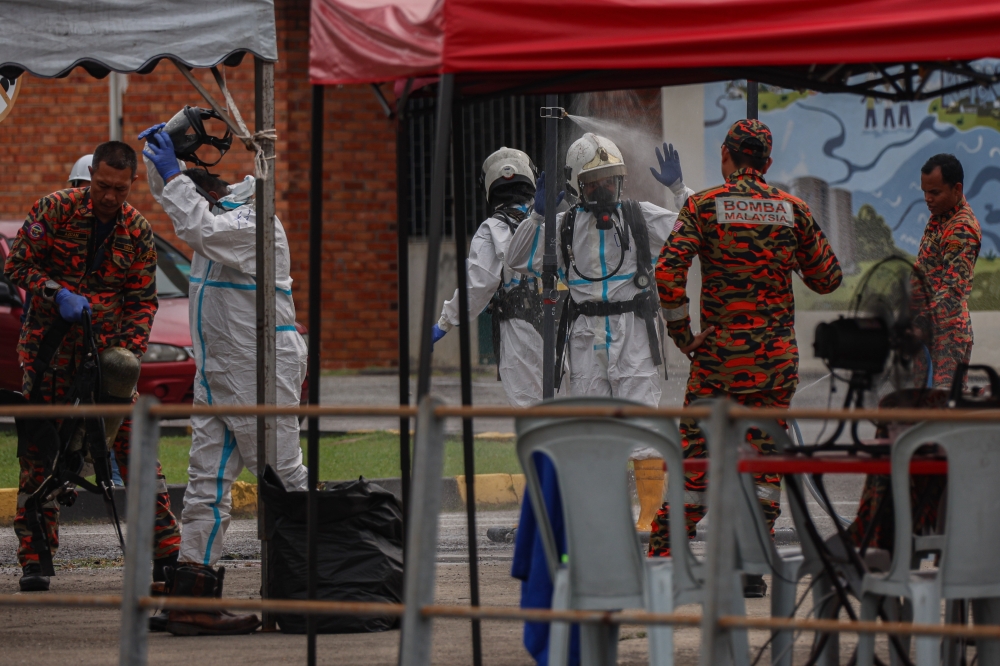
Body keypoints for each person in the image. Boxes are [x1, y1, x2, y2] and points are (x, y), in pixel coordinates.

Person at [650, 119, 842, 597]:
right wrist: (789, 255)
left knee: (696, 461)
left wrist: (683, 335)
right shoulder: (792, 210)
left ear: (725, 155)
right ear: (768, 163)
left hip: (716, 362)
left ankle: (665, 561)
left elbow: (668, 273)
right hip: (774, 363)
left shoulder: (703, 206)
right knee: (761, 464)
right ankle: (750, 563)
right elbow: (829, 278)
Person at [141, 123, 309, 635]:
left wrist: (174, 172)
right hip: (219, 369)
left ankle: (310, 587)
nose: (196, 186)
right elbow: (174, 200)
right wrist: (164, 149)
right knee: (205, 486)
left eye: (201, 186)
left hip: (261, 365)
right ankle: (192, 598)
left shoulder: (254, 225)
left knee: (282, 476)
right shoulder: (224, 217)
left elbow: (195, 223)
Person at [6, 142, 180, 592]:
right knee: (39, 456)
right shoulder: (55, 209)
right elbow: (18, 265)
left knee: (137, 452)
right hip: (50, 354)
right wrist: (53, 292)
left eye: (119, 189)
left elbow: (143, 301)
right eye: (102, 186)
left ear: (131, 184)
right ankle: (36, 558)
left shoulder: (137, 231)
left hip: (106, 361)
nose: (109, 196)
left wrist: (127, 354)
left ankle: (166, 553)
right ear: (91, 177)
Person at [431, 147, 543, 407]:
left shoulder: (491, 229)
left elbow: (478, 286)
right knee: (567, 409)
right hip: (562, 324)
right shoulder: (551, 219)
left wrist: (445, 323)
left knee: (530, 411)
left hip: (520, 327)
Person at [914, 153, 981, 388]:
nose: (927, 199)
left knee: (942, 411)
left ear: (957, 188)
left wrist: (917, 324)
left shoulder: (960, 228)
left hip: (946, 336)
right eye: (925, 192)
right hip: (925, 331)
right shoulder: (940, 216)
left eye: (934, 193)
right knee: (918, 408)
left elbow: (953, 291)